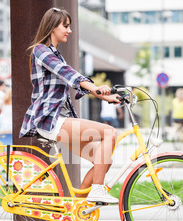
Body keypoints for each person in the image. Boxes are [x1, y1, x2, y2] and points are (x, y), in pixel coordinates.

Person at [20, 7, 120, 204]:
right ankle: (97, 190)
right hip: (51, 120)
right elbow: (68, 73)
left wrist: (103, 95)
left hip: (62, 120)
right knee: (110, 132)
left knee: (104, 160)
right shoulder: (40, 50)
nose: (69, 30)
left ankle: (79, 207)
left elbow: (71, 79)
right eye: (65, 26)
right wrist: (97, 91)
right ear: (52, 27)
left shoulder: (56, 53)